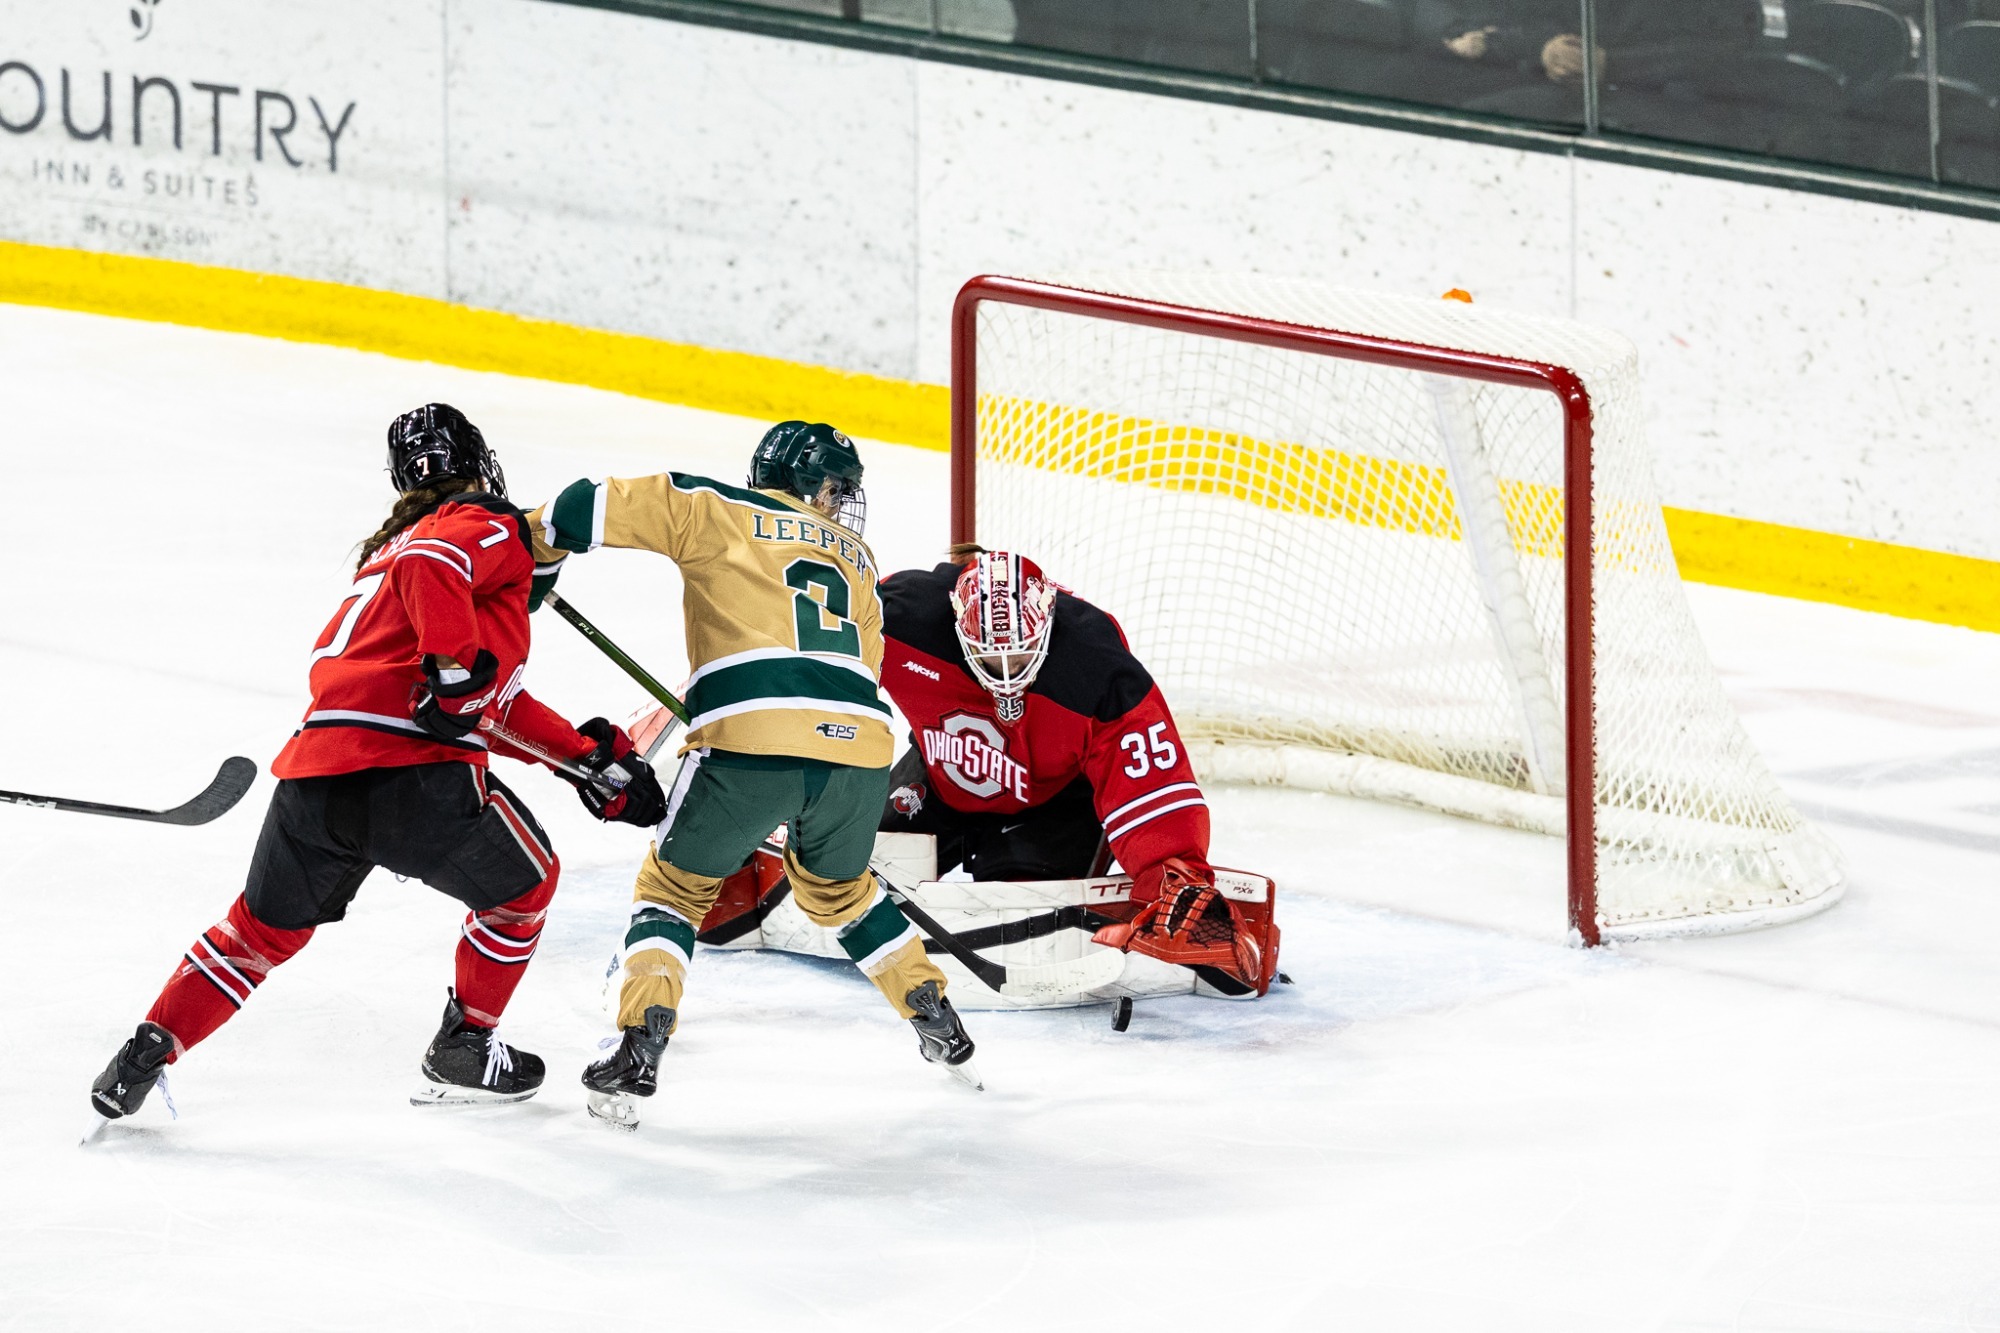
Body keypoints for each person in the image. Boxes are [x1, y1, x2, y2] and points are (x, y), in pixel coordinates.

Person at [89, 404, 666, 1122]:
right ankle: (465, 1043)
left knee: (257, 933)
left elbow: (477, 698)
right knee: (526, 886)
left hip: (314, 776)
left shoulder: (387, 554)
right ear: (478, 462)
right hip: (412, 778)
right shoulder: (482, 526)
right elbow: (456, 663)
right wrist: (461, 668)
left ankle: (146, 1049)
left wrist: (584, 759)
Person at [525, 421, 977, 1128]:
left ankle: (640, 1039)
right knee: (841, 893)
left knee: (673, 889)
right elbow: (864, 667)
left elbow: (581, 504)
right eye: (836, 489)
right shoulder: (858, 557)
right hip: (861, 748)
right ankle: (932, 1009)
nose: (840, 504)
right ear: (817, 487)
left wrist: (537, 557)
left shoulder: (716, 505)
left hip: (750, 741)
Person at [876, 546, 1256, 979]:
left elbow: (1148, 781)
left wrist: (1175, 882)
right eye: (989, 657)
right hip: (942, 773)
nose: (1006, 672)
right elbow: (818, 659)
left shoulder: (1095, 663)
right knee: (849, 863)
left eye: (1021, 656)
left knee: (1018, 915)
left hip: (1055, 802)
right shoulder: (903, 616)